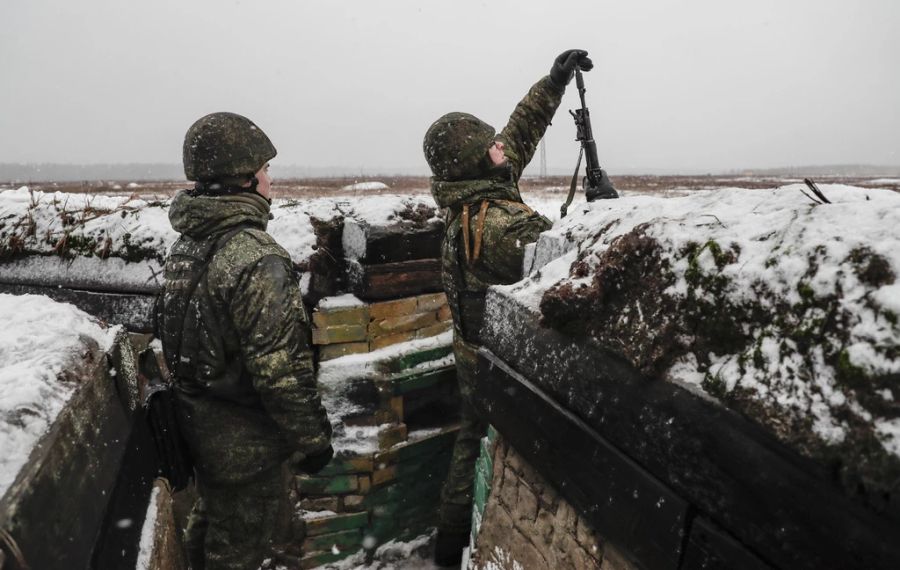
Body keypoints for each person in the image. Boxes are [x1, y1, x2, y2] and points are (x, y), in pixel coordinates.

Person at [423, 49, 596, 566]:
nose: (502, 145)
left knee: (467, 439)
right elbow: (566, 258)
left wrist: (554, 82)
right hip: (489, 360)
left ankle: (445, 545)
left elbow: (519, 132)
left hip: (470, 348)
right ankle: (456, 545)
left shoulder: (477, 189)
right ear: (480, 160)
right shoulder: (498, 226)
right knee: (481, 443)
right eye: (490, 145)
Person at [157, 112, 333, 570]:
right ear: (248, 179)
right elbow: (280, 370)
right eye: (266, 170)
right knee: (237, 552)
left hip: (203, 432)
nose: (271, 179)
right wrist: (313, 440)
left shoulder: (190, 244)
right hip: (245, 447)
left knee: (209, 526)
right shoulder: (256, 258)